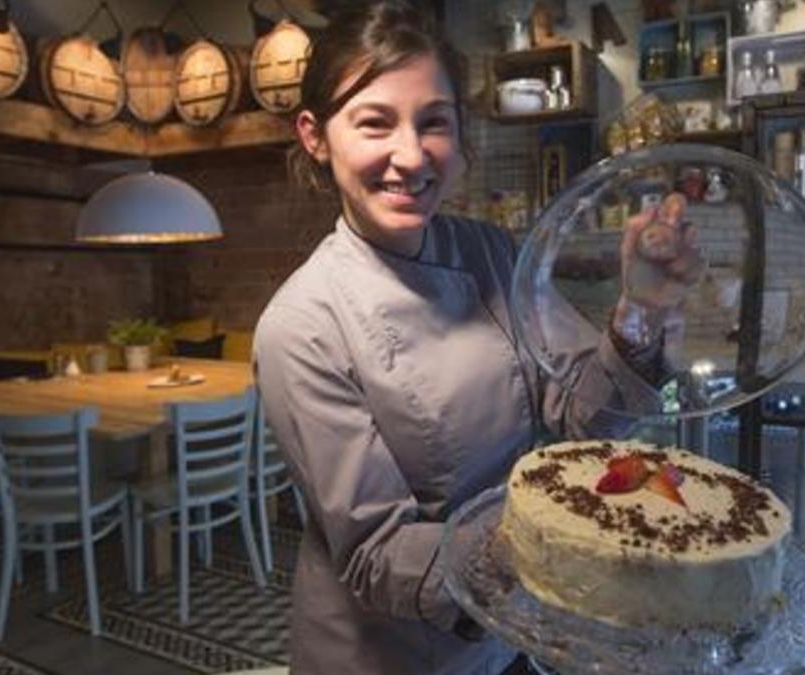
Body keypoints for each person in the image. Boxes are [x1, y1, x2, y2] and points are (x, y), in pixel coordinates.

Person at [252, 3, 702, 673]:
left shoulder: (490, 252)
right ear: (316, 136)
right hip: (391, 653)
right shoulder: (302, 325)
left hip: (511, 630)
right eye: (375, 122)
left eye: (433, 122)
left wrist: (640, 306)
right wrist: (565, 547)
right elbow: (378, 554)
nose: (410, 155)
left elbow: (587, 416)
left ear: (460, 136)